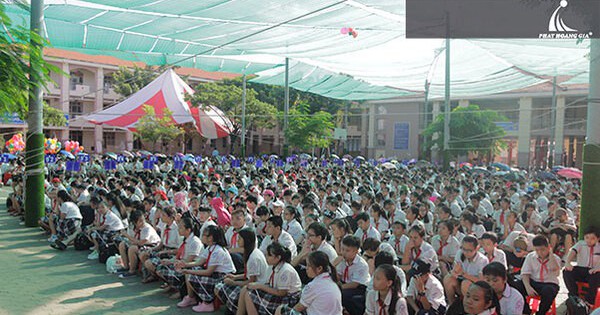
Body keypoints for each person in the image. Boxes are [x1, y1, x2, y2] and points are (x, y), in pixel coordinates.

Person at [177, 225, 236, 312]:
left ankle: (208, 303)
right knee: (191, 271)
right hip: (215, 273)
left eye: (204, 235)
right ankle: (191, 297)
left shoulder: (218, 251)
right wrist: (185, 264)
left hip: (223, 277)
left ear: (210, 238)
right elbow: (199, 262)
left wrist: (188, 270)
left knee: (191, 275)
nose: (202, 236)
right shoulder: (210, 247)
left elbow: (208, 272)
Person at [215, 228, 269, 314]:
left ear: (246, 240)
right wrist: (235, 277)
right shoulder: (252, 252)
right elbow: (249, 274)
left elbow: (251, 282)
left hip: (258, 289)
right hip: (254, 284)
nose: (237, 241)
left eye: (240, 238)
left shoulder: (254, 258)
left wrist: (234, 283)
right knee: (222, 284)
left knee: (220, 287)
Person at [240, 242, 302, 315]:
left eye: (269, 255)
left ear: (278, 258)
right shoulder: (272, 266)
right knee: (247, 289)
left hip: (288, 299)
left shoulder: (286, 270)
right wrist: (257, 285)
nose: (266, 257)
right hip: (278, 293)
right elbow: (268, 283)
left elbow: (281, 293)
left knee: (249, 294)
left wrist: (260, 286)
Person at [276, 251, 343, 315]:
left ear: (319, 268)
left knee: (281, 309)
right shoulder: (332, 280)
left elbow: (298, 308)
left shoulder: (313, 286)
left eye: (309, 266)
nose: (306, 268)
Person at [513, 235, 561, 315]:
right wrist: (528, 287)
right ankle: (526, 311)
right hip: (534, 282)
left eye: (542, 250)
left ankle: (541, 313)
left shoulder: (555, 258)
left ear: (548, 247)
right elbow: (525, 274)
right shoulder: (530, 256)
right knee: (516, 285)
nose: (540, 252)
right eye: (537, 250)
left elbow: (556, 271)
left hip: (549, 283)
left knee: (549, 291)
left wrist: (551, 254)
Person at [155, 217, 203, 296]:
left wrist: (172, 262)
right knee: (161, 267)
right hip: (182, 262)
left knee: (166, 269)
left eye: (181, 228)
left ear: (188, 230)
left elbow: (188, 260)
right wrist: (170, 261)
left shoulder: (195, 242)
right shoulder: (184, 239)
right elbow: (180, 255)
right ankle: (173, 286)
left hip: (190, 266)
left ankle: (181, 291)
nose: (178, 229)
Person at [444, 235, 489, 305]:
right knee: (448, 278)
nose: (465, 252)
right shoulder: (459, 253)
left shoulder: (482, 260)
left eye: (469, 250)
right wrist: (454, 272)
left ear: (477, 248)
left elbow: (481, 281)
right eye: (463, 249)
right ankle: (451, 305)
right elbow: (454, 271)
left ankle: (468, 306)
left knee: (465, 284)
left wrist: (463, 274)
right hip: (460, 282)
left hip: (475, 287)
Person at [563, 225, 600, 305]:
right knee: (566, 272)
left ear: (598, 239)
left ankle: (589, 301)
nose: (589, 240)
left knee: (597, 276)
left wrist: (597, 268)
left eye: (593, 238)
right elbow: (572, 252)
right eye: (587, 237)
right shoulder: (581, 244)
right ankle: (574, 295)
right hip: (581, 270)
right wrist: (568, 262)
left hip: (594, 272)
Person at [117, 210, 161, 278]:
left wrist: (127, 236)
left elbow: (141, 242)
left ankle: (132, 271)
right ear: (134, 222)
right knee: (122, 244)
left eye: (143, 220)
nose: (143, 222)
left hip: (151, 245)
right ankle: (126, 266)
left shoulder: (147, 228)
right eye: (140, 221)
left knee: (132, 248)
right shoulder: (132, 226)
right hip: (138, 242)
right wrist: (130, 239)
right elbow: (132, 239)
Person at [337, 235, 371, 315]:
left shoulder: (361, 264)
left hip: (359, 288)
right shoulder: (342, 260)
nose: (344, 252)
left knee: (342, 294)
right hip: (345, 284)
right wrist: (334, 265)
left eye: (347, 250)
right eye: (342, 249)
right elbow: (338, 276)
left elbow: (355, 284)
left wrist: (338, 287)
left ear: (356, 251)